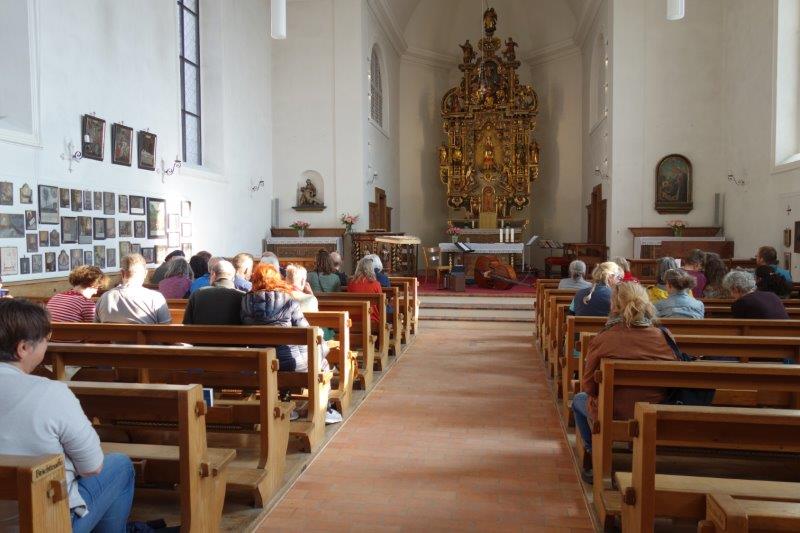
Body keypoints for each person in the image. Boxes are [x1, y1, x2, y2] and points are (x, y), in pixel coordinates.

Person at [0, 299, 134, 531]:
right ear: (23, 348)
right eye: (45, 339)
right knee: (120, 466)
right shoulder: (50, 393)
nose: (47, 345)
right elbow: (92, 466)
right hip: (43, 523)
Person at [571, 282, 678, 482]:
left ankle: (594, 453)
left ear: (614, 306)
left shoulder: (605, 338)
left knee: (578, 400)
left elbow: (588, 386)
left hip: (613, 413)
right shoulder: (664, 336)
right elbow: (675, 379)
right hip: (656, 411)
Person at [241, 264, 329, 372]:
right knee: (322, 356)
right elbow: (305, 330)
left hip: (258, 362)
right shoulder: (288, 300)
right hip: (290, 363)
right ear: (277, 279)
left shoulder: (245, 302)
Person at [95, 253, 171, 324]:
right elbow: (166, 327)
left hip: (111, 335)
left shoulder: (104, 297)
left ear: (122, 273)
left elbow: (96, 325)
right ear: (145, 273)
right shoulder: (156, 298)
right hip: (143, 334)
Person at [183, 260, 244, 325]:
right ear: (233, 278)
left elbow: (187, 323)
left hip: (202, 332)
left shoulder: (197, 294)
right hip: (232, 332)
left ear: (213, 274)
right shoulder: (243, 296)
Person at [723, 270, 789, 319]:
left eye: (730, 291)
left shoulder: (740, 303)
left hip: (764, 333)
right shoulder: (772, 295)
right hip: (787, 332)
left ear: (735, 289)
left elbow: (739, 328)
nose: (731, 295)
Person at [348, 256, 384, 326]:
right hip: (371, 318)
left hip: (354, 318)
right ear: (371, 269)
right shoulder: (376, 284)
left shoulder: (351, 283)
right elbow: (380, 304)